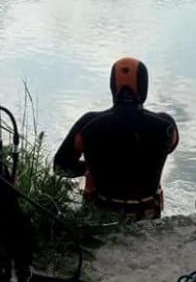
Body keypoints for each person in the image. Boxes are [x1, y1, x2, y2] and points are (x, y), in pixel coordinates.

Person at [54, 57, 179, 219]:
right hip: (147, 212)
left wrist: (89, 168)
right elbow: (170, 147)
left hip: (101, 212)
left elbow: (61, 167)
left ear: (113, 86)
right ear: (143, 87)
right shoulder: (166, 125)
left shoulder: (89, 123)